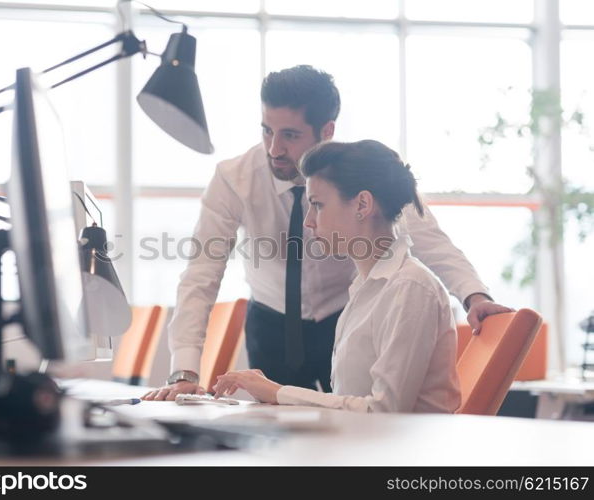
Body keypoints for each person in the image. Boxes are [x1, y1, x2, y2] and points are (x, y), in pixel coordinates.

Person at [143, 65, 511, 401]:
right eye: (267, 131)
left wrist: (473, 296)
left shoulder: (358, 173)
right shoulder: (233, 178)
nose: (275, 149)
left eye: (290, 135)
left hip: (347, 316)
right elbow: (200, 276)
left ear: (327, 131)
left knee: (344, 427)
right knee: (275, 437)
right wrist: (184, 372)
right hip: (271, 322)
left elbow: (427, 237)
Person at [213, 140, 461, 413]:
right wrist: (276, 393)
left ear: (363, 204)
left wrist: (280, 392)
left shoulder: (410, 288)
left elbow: (384, 410)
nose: (308, 221)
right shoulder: (366, 287)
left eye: (317, 205)